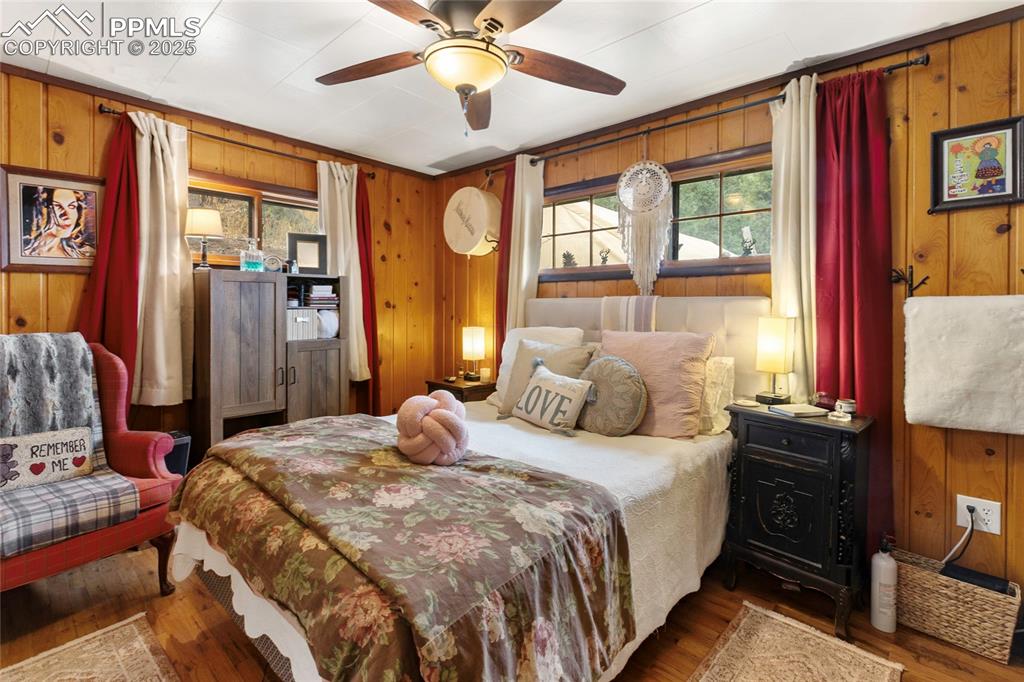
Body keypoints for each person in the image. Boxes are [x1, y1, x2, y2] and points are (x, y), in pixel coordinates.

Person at [22, 187, 96, 259]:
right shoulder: (24, 251)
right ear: (43, 210)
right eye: (57, 206)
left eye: (72, 206)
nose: (66, 215)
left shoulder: (85, 253)